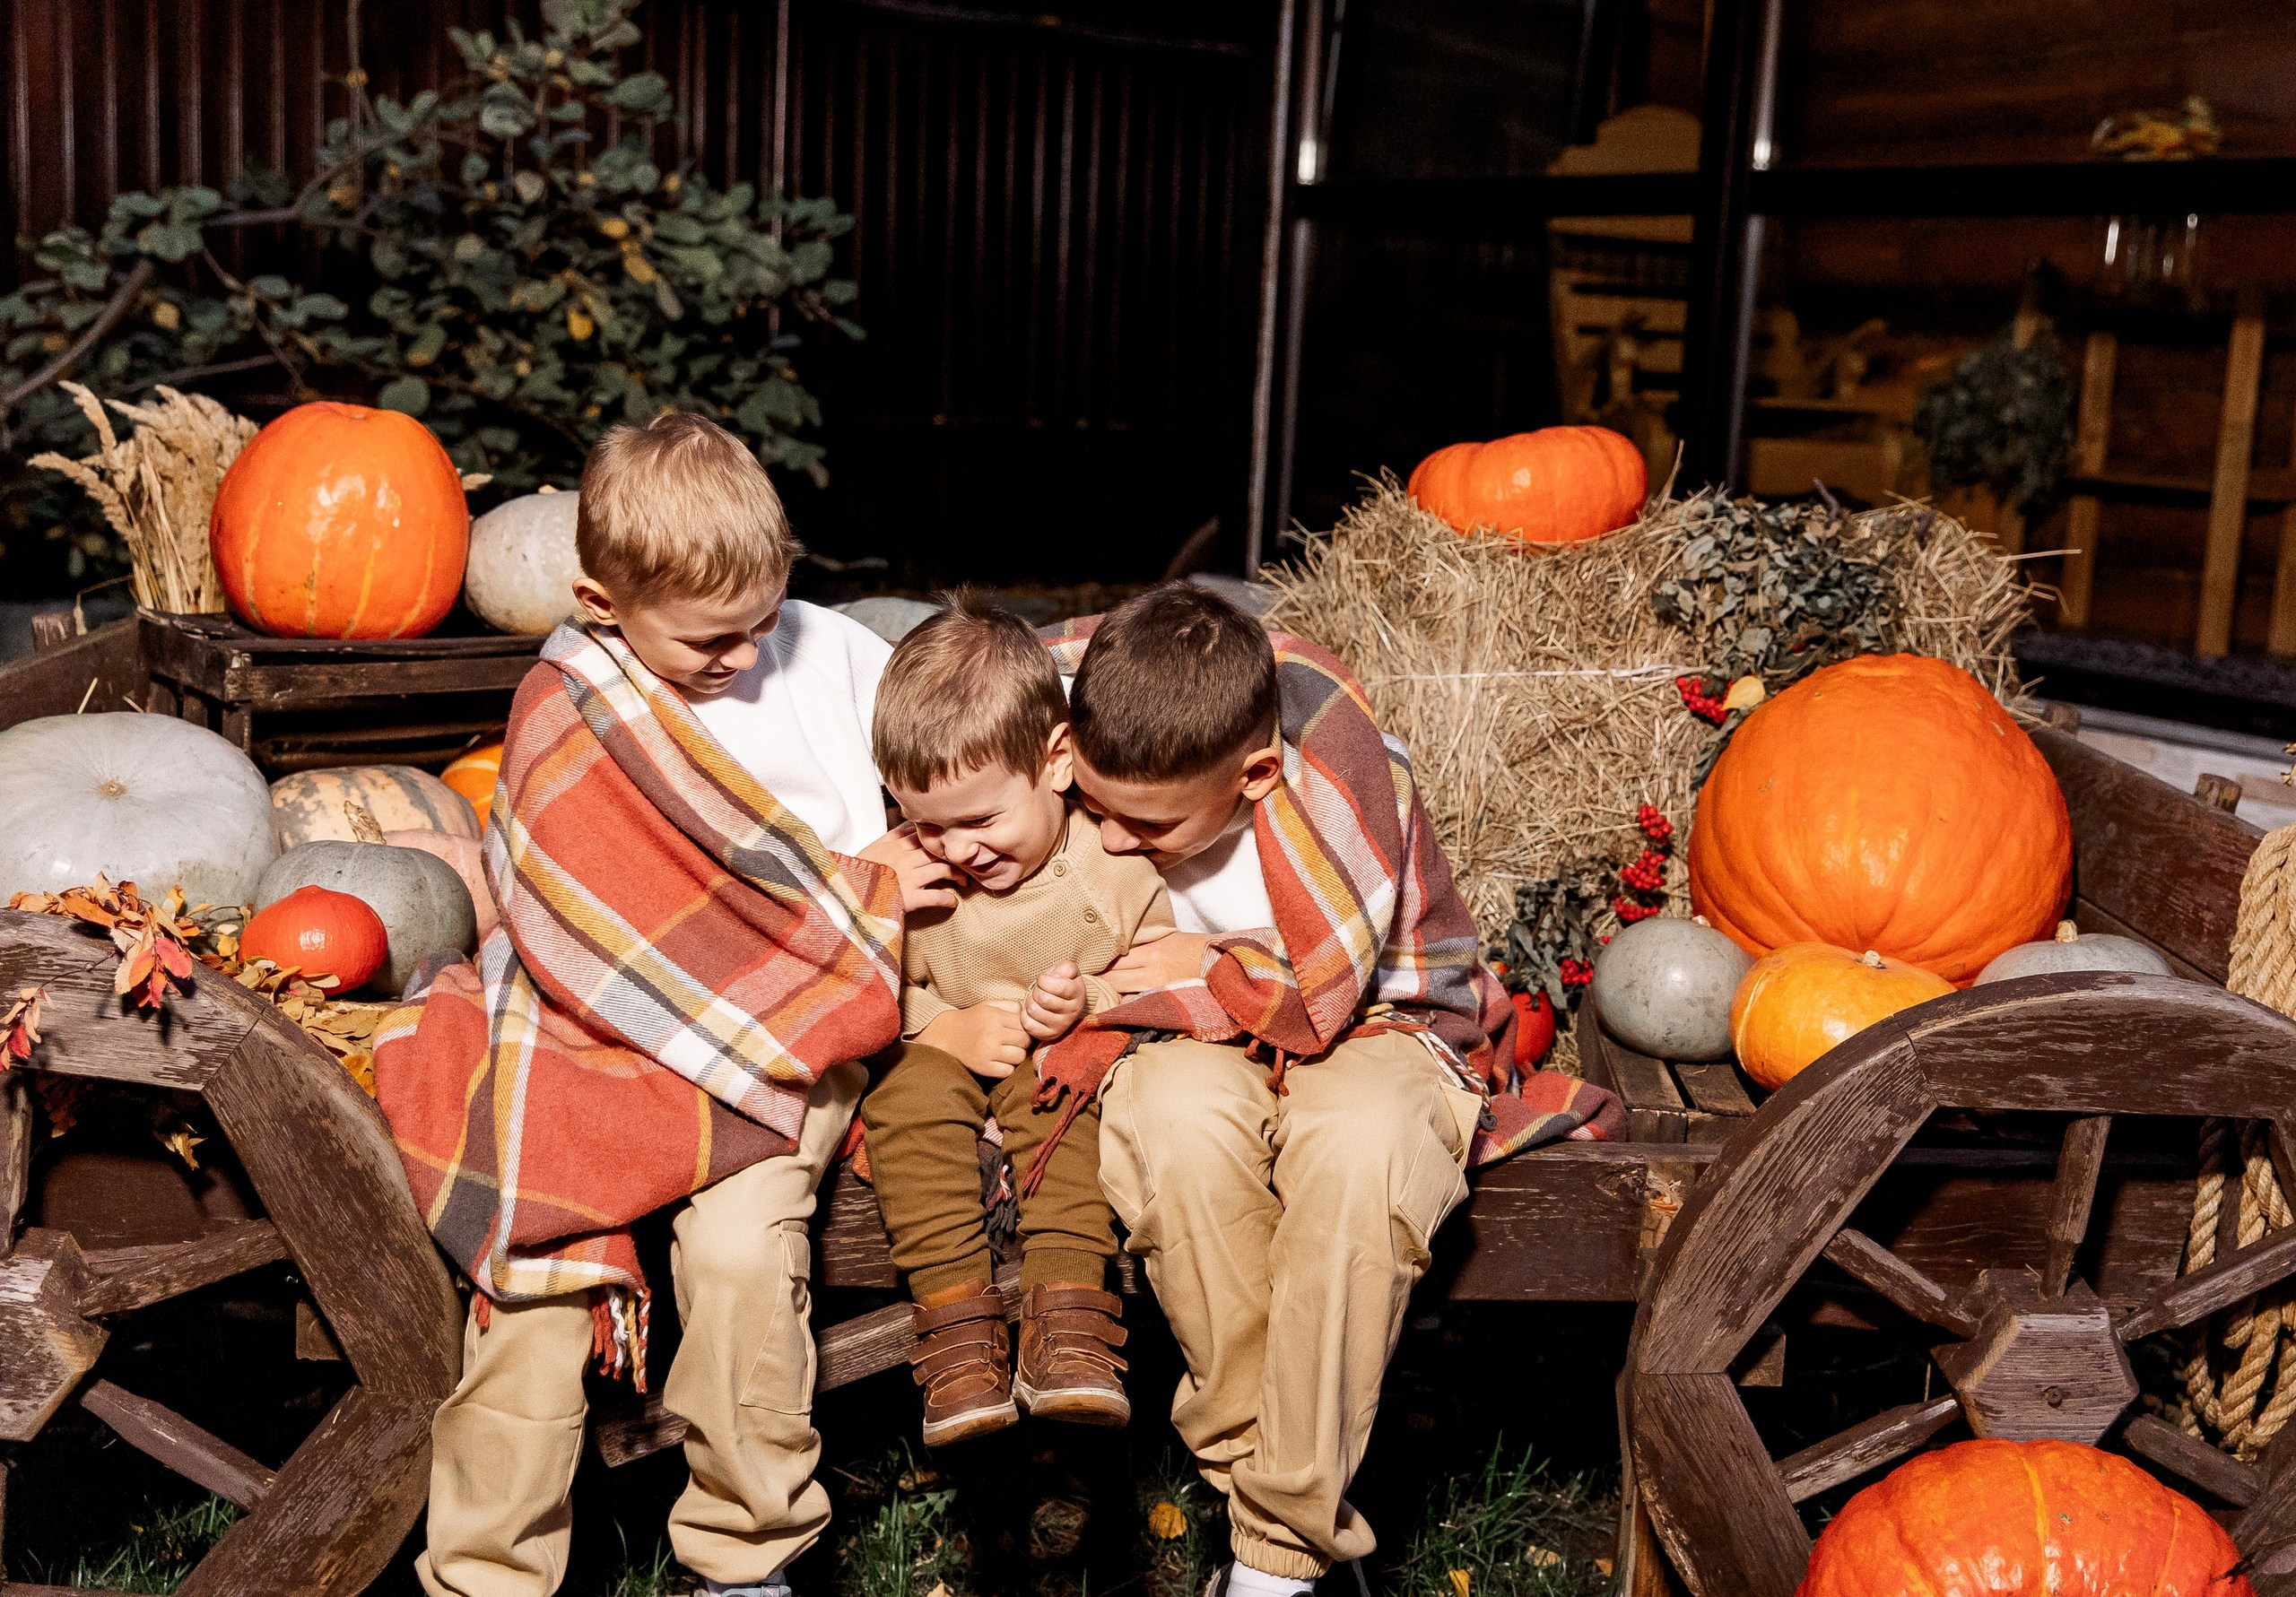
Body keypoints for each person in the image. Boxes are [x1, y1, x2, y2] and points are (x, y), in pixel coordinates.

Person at [375, 412, 953, 1597]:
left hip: (785, 1027)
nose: (745, 656)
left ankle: (748, 1558)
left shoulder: (827, 654)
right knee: (534, 1284)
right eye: (710, 640)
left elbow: (951, 759)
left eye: (760, 622)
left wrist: (862, 894)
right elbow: (580, 900)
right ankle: (486, 1575)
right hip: (598, 1024)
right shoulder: (569, 708)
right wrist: (858, 888)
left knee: (744, 1250)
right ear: (598, 598)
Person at [1033, 584, 1619, 1597]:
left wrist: (1202, 951)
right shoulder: (1103, 695)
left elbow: (1323, 996)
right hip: (1176, 1019)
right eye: (1094, 805)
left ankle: (1269, 1567)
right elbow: (960, 685)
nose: (1113, 839)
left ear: (1256, 773)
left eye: (1147, 822)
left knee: (1361, 1149)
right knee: (1176, 1130)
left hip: (1373, 1009)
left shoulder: (1343, 777)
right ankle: (1275, 1505)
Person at [859, 595, 1170, 1446]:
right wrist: (937, 1030)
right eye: (927, 824)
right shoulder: (920, 885)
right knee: (904, 1102)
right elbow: (867, 990)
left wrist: (1091, 1006)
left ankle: (1069, 1319)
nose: (958, 849)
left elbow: (1160, 973)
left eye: (981, 819)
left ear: (1057, 762)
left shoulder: (1110, 868)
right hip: (939, 1048)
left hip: (1056, 1057)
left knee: (1062, 1095)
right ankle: (956, 1327)